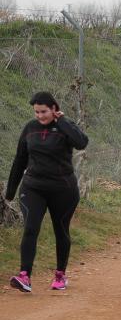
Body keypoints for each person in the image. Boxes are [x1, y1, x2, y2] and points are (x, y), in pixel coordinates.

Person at [5, 92, 89, 293]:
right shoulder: (30, 128)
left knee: (61, 231)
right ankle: (25, 275)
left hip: (63, 189)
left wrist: (63, 122)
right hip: (33, 187)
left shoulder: (64, 127)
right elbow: (20, 160)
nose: (40, 116)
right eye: (36, 112)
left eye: (44, 111)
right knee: (30, 228)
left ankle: (60, 274)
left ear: (53, 109)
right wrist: (10, 191)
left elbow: (81, 143)